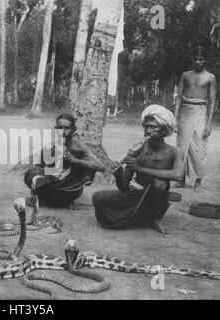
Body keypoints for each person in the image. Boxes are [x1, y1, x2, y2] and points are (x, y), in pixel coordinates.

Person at [92, 105, 185, 234]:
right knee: (98, 197)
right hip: (134, 195)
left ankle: (155, 219)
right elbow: (124, 188)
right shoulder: (138, 151)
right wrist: (119, 175)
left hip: (155, 198)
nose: (148, 130)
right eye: (146, 126)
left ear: (164, 131)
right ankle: (141, 217)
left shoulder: (175, 152)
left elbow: (179, 175)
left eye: (153, 127)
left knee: (160, 184)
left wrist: (140, 169)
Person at [24, 113, 105, 209]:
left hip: (70, 188)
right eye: (60, 128)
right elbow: (38, 169)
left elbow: (101, 167)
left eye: (67, 128)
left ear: (74, 130)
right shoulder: (51, 147)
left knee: (86, 168)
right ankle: (47, 198)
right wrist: (34, 194)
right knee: (32, 172)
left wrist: (76, 160)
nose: (63, 131)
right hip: (54, 183)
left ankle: (66, 200)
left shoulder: (80, 147)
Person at [174, 46, 217, 192]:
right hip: (186, 110)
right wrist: (176, 118)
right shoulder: (185, 75)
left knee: (199, 146)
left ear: (205, 61)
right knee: (182, 146)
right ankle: (180, 179)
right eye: (196, 59)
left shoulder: (210, 77)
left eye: (201, 59)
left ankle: (198, 180)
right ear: (192, 60)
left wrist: (209, 124)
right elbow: (179, 97)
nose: (198, 62)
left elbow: (212, 100)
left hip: (201, 111)